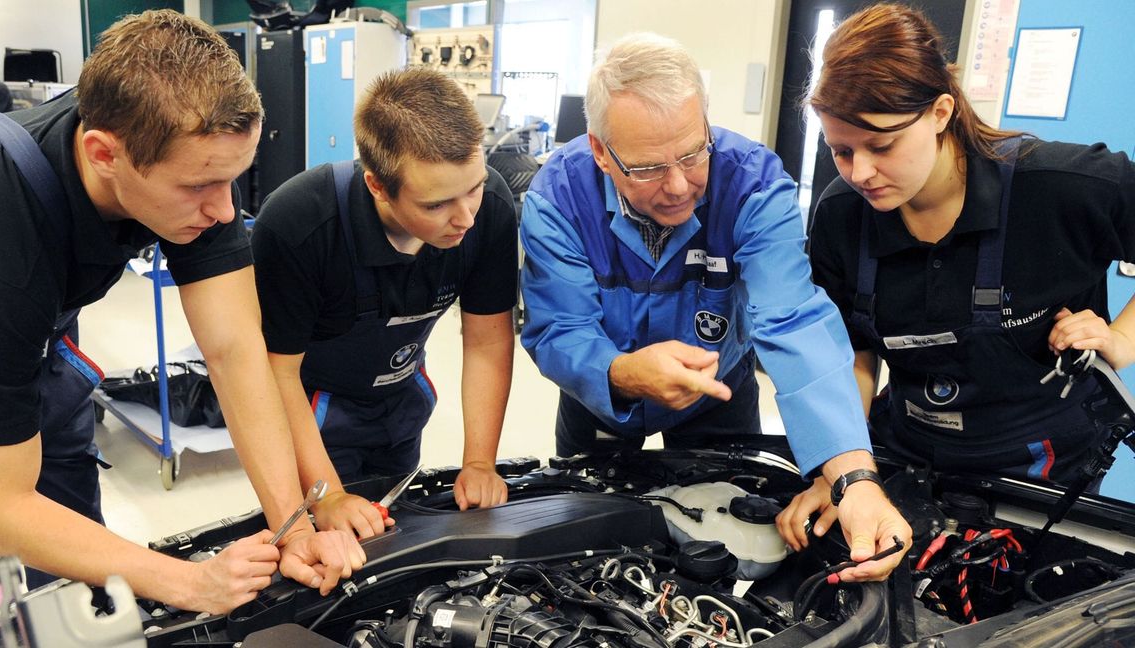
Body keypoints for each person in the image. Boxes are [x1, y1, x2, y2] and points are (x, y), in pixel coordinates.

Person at [0, 10, 365, 614]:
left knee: (76, 568)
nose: (222, 211)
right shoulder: (2, 245)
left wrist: (295, 526)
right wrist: (187, 582)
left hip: (42, 340)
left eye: (232, 181)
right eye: (198, 189)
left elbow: (235, 351)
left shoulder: (189, 159)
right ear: (103, 154)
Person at [519, 32, 912, 581]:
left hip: (718, 397)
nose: (680, 185)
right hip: (602, 400)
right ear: (601, 152)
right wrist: (620, 371)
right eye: (650, 168)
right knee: (589, 554)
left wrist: (853, 477)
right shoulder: (558, 197)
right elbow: (558, 328)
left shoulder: (753, 183)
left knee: (726, 551)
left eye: (692, 152)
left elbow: (794, 320)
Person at [776, 4, 1135, 553]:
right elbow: (854, 354)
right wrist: (844, 473)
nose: (861, 173)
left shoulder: (1065, 187)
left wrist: (1123, 339)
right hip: (909, 454)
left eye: (883, 145)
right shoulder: (842, 215)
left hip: (1041, 473)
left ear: (941, 112)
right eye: (841, 151)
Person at [251, 68, 517, 526]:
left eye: (472, 188)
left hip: (402, 402)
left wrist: (479, 462)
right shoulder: (299, 226)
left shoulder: (489, 205)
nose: (466, 218)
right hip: (310, 412)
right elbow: (277, 375)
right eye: (436, 205)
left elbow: (487, 341)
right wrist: (328, 496)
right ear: (378, 186)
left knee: (397, 533)